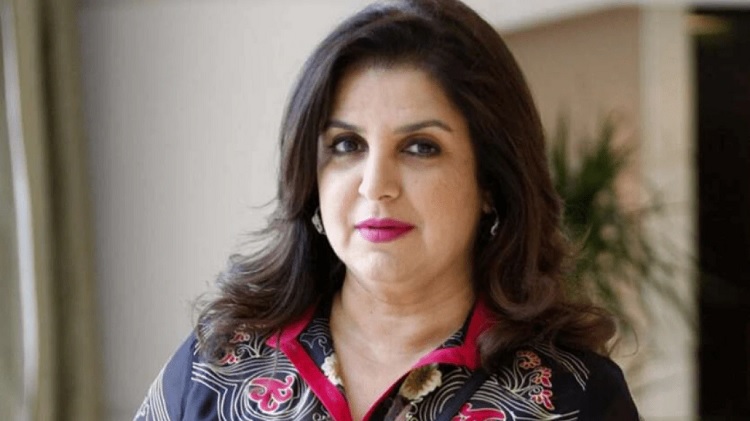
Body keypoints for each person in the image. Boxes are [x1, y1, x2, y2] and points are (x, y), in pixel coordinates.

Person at [134, 0, 641, 420]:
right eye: (346, 145)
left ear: (491, 180)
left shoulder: (575, 398)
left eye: (420, 147)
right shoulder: (215, 365)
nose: (375, 185)